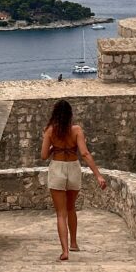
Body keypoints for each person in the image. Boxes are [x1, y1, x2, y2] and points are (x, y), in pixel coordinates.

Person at [40, 99, 106, 261]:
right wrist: (98, 175)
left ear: (55, 114)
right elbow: (84, 153)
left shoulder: (50, 131)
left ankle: (65, 251)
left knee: (61, 213)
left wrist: (53, 147)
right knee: (71, 208)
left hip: (57, 168)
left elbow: (43, 156)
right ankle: (74, 243)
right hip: (73, 168)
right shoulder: (77, 130)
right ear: (70, 114)